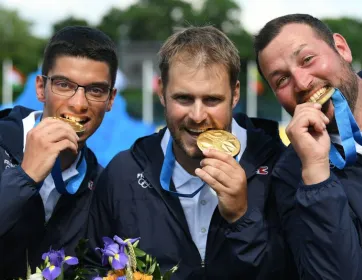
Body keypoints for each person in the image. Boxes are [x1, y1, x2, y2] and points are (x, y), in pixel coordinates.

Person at [86, 26, 297, 279]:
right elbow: (93, 267)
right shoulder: (123, 174)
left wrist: (242, 218)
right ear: (162, 92)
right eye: (184, 99)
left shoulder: (278, 166)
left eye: (212, 100)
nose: (197, 116)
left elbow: (297, 270)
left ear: (235, 93)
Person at [255, 13, 362, 279]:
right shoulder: (292, 177)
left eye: (307, 60)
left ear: (341, 48)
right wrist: (317, 173)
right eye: (281, 80)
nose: (302, 83)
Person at [0, 26, 118, 278]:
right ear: (41, 88)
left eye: (96, 90)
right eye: (64, 85)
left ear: (110, 100)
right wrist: (24, 176)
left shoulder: (102, 184)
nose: (79, 103)